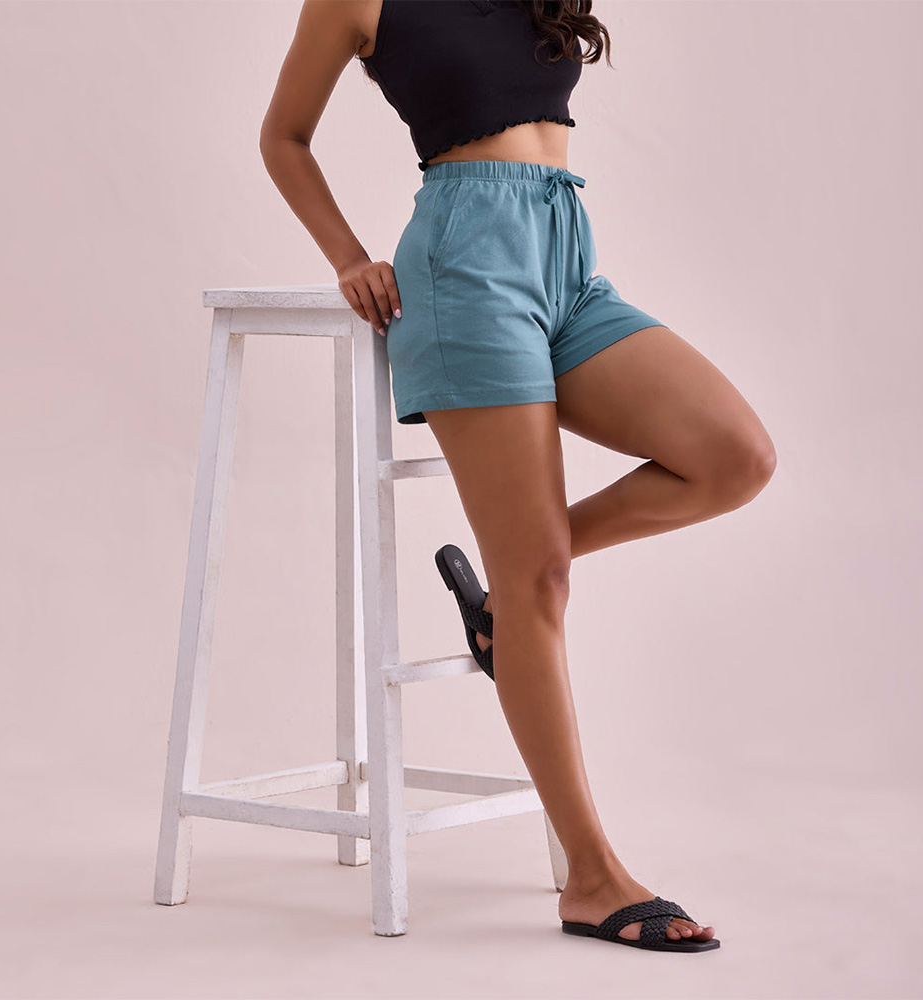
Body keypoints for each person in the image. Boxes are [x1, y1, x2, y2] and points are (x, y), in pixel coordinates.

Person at [260, 0, 775, 953]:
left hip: (568, 258)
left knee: (735, 457)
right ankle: (593, 878)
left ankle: (509, 593)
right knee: (541, 578)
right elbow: (282, 137)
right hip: (463, 268)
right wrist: (349, 257)